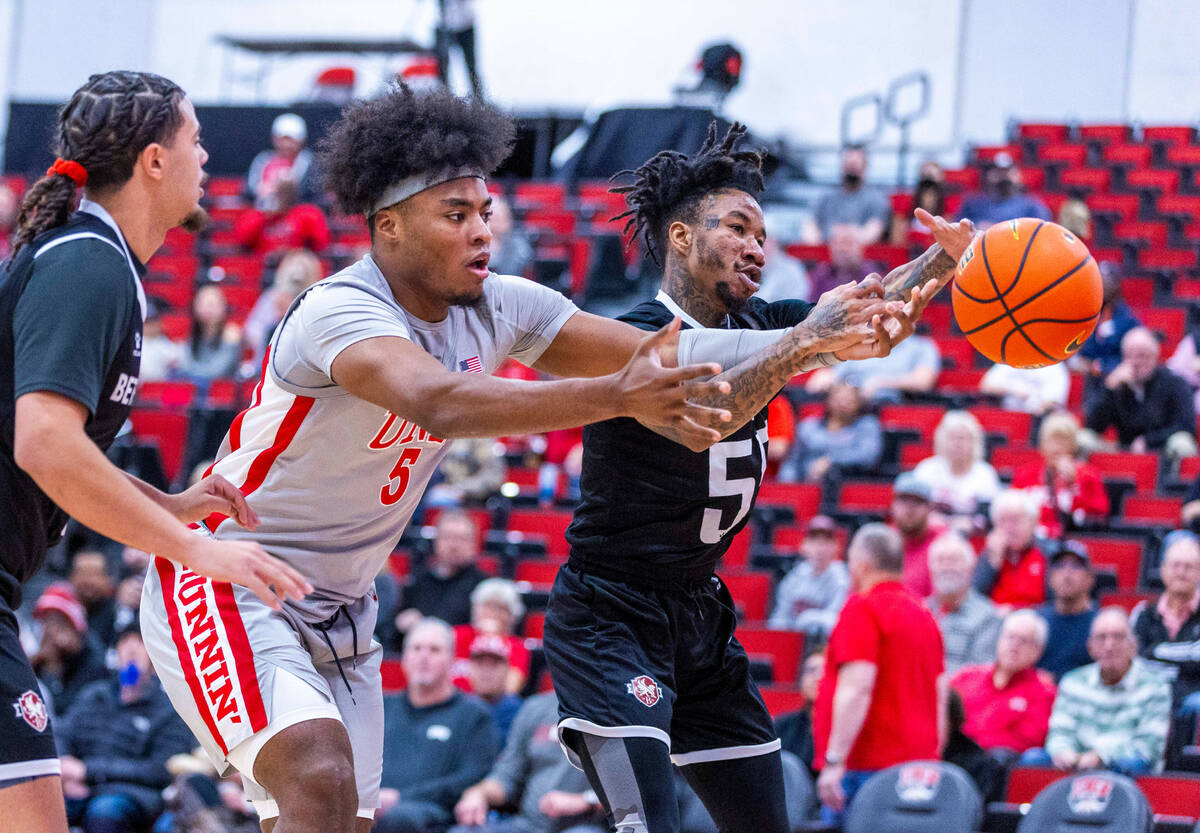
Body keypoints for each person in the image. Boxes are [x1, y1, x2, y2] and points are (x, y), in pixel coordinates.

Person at [144, 85, 784, 833]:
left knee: (334, 820)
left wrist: (819, 337)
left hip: (343, 608)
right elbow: (440, 400)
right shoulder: (340, 309)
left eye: (485, 211)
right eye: (456, 215)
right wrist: (618, 393)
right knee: (315, 777)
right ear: (389, 226)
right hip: (229, 575)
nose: (484, 230)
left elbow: (668, 351)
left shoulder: (501, 304)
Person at [544, 123, 973, 833]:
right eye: (738, 227)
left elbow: (863, 315)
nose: (757, 247)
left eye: (764, 236)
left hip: (700, 613)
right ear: (681, 238)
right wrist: (806, 343)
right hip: (610, 614)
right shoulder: (636, 339)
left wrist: (940, 262)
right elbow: (714, 409)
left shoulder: (762, 321)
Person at [2, 70, 307, 833]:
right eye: (196, 139)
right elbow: (42, 442)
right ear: (154, 160)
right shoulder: (88, 262)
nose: (207, 158)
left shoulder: (94, 261)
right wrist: (193, 550)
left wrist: (165, 504)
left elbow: (55, 455)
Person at [813, 524, 945, 820]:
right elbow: (940, 696)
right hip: (918, 771)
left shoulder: (862, 607)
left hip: (865, 767)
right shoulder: (925, 614)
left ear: (861, 564)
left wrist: (835, 761)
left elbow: (857, 687)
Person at [57, 619, 194, 833]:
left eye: (140, 642)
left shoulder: (169, 708)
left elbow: (160, 769)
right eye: (125, 641)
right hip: (74, 784)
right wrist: (64, 770)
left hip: (129, 792)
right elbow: (61, 734)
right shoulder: (94, 695)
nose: (131, 648)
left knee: (105, 811)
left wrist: (88, 772)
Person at [376, 618, 497, 833]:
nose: (424, 657)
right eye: (416, 648)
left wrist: (401, 798)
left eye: (434, 650)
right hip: (372, 805)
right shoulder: (382, 706)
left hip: (434, 814)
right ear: (404, 658)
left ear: (452, 660)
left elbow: (472, 776)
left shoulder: (474, 715)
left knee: (401, 817)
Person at [1021, 607, 1171, 775]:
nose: (1109, 645)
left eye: (1118, 637)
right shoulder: (1073, 682)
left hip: (1123, 770)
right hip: (1075, 765)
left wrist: (1102, 757)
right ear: (1090, 647)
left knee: (1132, 763)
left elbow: (1149, 747)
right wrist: (1065, 753)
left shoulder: (1155, 686)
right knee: (1033, 759)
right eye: (1101, 638)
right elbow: (1059, 733)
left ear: (1133, 645)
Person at [452, 691, 607, 833]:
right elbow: (507, 774)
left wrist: (586, 800)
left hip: (587, 824)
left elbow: (629, 788)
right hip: (528, 825)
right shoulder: (535, 707)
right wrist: (480, 793)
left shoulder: (611, 710)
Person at [950, 609, 1057, 761]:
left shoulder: (1043, 692)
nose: (1014, 646)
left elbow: (1028, 740)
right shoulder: (967, 676)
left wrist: (974, 743)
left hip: (996, 764)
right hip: (956, 753)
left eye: (1024, 640)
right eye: (1010, 637)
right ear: (999, 640)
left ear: (1038, 651)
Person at [1132, 535, 1200, 763]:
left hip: (1191, 696)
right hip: (1147, 694)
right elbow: (1134, 659)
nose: (1181, 572)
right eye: (1175, 565)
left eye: (1189, 567)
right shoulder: (1143, 613)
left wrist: (1156, 651)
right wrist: (1184, 657)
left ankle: (1179, 771)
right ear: (1162, 571)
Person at [1086, 326, 1199, 458]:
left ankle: (1173, 479)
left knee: (1182, 443)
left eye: (1142, 356)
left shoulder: (1174, 383)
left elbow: (1186, 426)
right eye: (1130, 356)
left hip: (1162, 450)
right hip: (1122, 447)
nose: (1135, 362)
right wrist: (1109, 389)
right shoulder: (1116, 384)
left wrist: (1149, 441)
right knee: (1085, 439)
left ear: (1155, 356)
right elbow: (1093, 426)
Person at [387, 510, 489, 649]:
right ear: (436, 541)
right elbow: (391, 627)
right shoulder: (418, 581)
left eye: (462, 538)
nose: (454, 545)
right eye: (448, 537)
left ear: (474, 544)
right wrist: (401, 623)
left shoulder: (484, 587)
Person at [1011, 411, 1109, 539]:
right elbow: (1012, 510)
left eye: (1062, 442)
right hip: (1030, 540)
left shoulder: (1088, 475)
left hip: (1069, 541)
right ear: (1042, 445)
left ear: (1073, 447)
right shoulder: (1025, 474)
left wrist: (1073, 486)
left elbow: (1097, 517)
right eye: (1051, 441)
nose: (1056, 448)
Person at [925, 532, 1000, 674]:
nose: (946, 567)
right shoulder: (921, 610)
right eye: (940, 561)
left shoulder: (987, 616)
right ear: (930, 568)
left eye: (953, 561)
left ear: (970, 567)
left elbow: (978, 675)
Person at [778, 382, 882, 483]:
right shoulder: (808, 426)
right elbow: (792, 461)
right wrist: (787, 486)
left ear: (858, 403)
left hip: (847, 483)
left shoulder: (867, 425)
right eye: (839, 399)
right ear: (828, 399)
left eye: (849, 400)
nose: (843, 404)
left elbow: (868, 455)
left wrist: (831, 460)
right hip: (806, 483)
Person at [30, 584, 109, 718]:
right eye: (46, 622)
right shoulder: (42, 656)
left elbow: (62, 712)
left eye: (59, 623)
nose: (51, 631)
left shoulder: (94, 660)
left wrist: (52, 671)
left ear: (74, 625)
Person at [241, 248, 325, 373]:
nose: (297, 271)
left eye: (302, 266)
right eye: (294, 265)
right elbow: (252, 328)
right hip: (271, 357)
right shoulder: (271, 297)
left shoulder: (320, 298)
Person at [912, 410, 1001, 527]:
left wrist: (969, 523)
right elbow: (913, 508)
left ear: (974, 442)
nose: (957, 444)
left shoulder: (985, 474)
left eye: (962, 438)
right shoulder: (926, 469)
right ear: (941, 440)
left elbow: (987, 516)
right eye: (952, 438)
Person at [1069, 266, 1141, 410]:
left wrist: (1105, 366)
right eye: (1100, 280)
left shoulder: (1127, 319)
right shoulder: (1088, 313)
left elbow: (1132, 354)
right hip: (1090, 377)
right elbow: (1084, 348)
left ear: (1116, 285)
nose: (1104, 286)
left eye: (1108, 282)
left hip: (1116, 378)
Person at [767, 515, 849, 639]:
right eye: (814, 542)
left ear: (836, 547)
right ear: (803, 546)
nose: (820, 549)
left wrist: (806, 619)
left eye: (826, 542)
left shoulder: (841, 578)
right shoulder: (795, 576)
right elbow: (779, 617)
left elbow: (836, 622)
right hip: (794, 643)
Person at [806, 328, 942, 402]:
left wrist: (880, 383)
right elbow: (824, 379)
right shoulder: (861, 343)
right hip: (852, 406)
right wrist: (825, 379)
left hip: (889, 405)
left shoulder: (922, 347)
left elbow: (923, 381)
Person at [453, 578, 531, 694]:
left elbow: (510, 689)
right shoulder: (456, 635)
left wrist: (492, 640)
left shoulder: (517, 647)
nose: (493, 612)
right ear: (475, 609)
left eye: (501, 608)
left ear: (512, 616)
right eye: (487, 605)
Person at [973, 490, 1048, 609]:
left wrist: (1014, 610)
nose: (1009, 527)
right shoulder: (988, 556)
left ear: (1033, 523)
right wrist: (992, 563)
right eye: (1003, 520)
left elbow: (1055, 604)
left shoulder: (1047, 552)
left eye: (1015, 520)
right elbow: (975, 599)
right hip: (993, 622)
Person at [1036, 541, 1099, 680]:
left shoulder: (1100, 626)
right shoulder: (1036, 621)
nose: (1067, 573)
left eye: (1076, 566)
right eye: (1060, 566)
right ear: (1050, 578)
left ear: (1090, 578)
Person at [814, 146, 890, 243]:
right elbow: (811, 226)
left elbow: (872, 232)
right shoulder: (825, 198)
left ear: (865, 167)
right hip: (825, 253)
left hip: (863, 256)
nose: (851, 170)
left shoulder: (877, 199)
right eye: (848, 165)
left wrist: (843, 237)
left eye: (855, 165)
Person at [889, 472, 946, 599]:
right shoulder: (883, 543)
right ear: (893, 504)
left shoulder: (942, 543)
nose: (909, 509)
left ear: (930, 508)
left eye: (917, 502)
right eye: (904, 500)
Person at [246, 112, 318, 211]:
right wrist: (258, 190)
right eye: (282, 139)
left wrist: (284, 190)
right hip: (264, 214)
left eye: (291, 139)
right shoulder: (263, 160)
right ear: (274, 139)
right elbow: (248, 189)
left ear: (301, 140)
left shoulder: (308, 161)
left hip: (296, 215)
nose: (286, 144)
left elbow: (312, 192)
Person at [958, 153, 1050, 229]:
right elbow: (957, 230)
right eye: (998, 171)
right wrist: (976, 227)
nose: (1003, 176)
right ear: (989, 175)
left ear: (1018, 176)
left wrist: (999, 229)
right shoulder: (972, 204)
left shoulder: (1032, 206)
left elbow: (1043, 233)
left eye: (1008, 171)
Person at [467, 633, 524, 748]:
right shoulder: (457, 708)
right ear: (470, 668)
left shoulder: (522, 712)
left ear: (507, 669)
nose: (486, 671)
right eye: (480, 664)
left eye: (494, 664)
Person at [177, 284, 243, 382]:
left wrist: (189, 373)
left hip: (221, 390)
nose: (207, 309)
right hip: (194, 383)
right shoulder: (193, 332)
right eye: (202, 304)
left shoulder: (231, 334)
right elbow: (184, 364)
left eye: (211, 304)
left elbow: (218, 372)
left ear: (223, 306)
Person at [774, 652, 825, 775]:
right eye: (811, 670)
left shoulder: (846, 730)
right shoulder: (782, 724)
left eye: (825, 671)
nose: (817, 677)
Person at [806, 223, 884, 301]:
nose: (843, 249)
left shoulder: (872, 276)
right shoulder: (821, 275)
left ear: (860, 247)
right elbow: (813, 307)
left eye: (848, 243)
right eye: (838, 243)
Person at [68, 549, 118, 649]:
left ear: (106, 579)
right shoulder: (65, 606)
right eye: (82, 574)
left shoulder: (114, 610)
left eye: (95, 575)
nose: (88, 581)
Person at [890, 161, 946, 247]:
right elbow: (897, 242)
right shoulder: (905, 208)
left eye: (933, 188)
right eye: (925, 186)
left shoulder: (948, 209)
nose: (928, 194)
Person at [980, 361, 1069, 415]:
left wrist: (1032, 401)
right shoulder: (1013, 359)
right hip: (1009, 415)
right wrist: (1012, 388)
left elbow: (1053, 402)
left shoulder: (1055, 367)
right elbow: (986, 385)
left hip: (1038, 420)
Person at [436, 0, 483, 98]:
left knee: (471, 67)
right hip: (444, 26)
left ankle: (479, 103)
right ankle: (444, 101)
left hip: (466, 26)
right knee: (442, 68)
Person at [754, 234, 811, 304]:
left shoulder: (792, 268)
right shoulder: (750, 267)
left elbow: (799, 298)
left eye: (764, 243)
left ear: (775, 242)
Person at [486, 196, 533, 278]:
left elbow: (517, 270)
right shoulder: (474, 243)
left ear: (508, 220)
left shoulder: (518, 244)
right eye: (489, 219)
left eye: (497, 219)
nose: (493, 224)